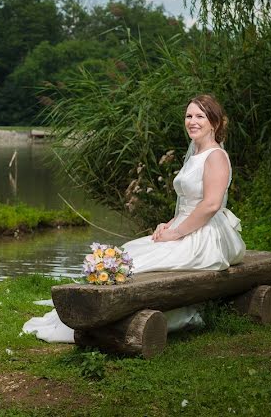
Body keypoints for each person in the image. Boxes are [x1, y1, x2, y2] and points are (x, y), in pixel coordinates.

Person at [23, 94, 246, 342]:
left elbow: (211, 205)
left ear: (214, 122)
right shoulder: (195, 153)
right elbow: (187, 203)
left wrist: (176, 233)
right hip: (186, 225)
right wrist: (169, 224)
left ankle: (117, 314)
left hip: (206, 235)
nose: (192, 121)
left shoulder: (215, 156)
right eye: (188, 116)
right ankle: (96, 309)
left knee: (143, 264)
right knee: (131, 251)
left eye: (199, 116)